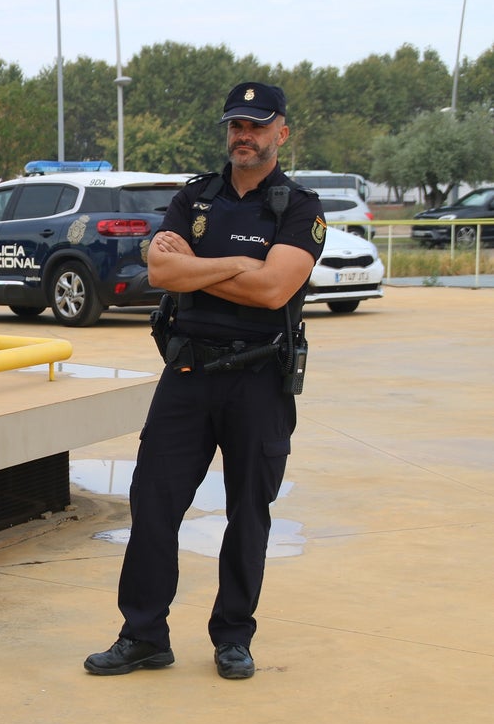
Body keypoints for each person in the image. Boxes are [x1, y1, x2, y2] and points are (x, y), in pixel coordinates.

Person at [84, 82, 325, 680]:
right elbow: (161, 271)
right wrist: (240, 263)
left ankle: (233, 638)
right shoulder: (195, 197)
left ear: (281, 132)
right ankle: (143, 635)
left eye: (257, 125)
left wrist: (195, 268)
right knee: (153, 503)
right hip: (187, 374)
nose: (244, 135)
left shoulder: (299, 208)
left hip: (258, 380)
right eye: (236, 125)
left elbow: (274, 289)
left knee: (249, 512)